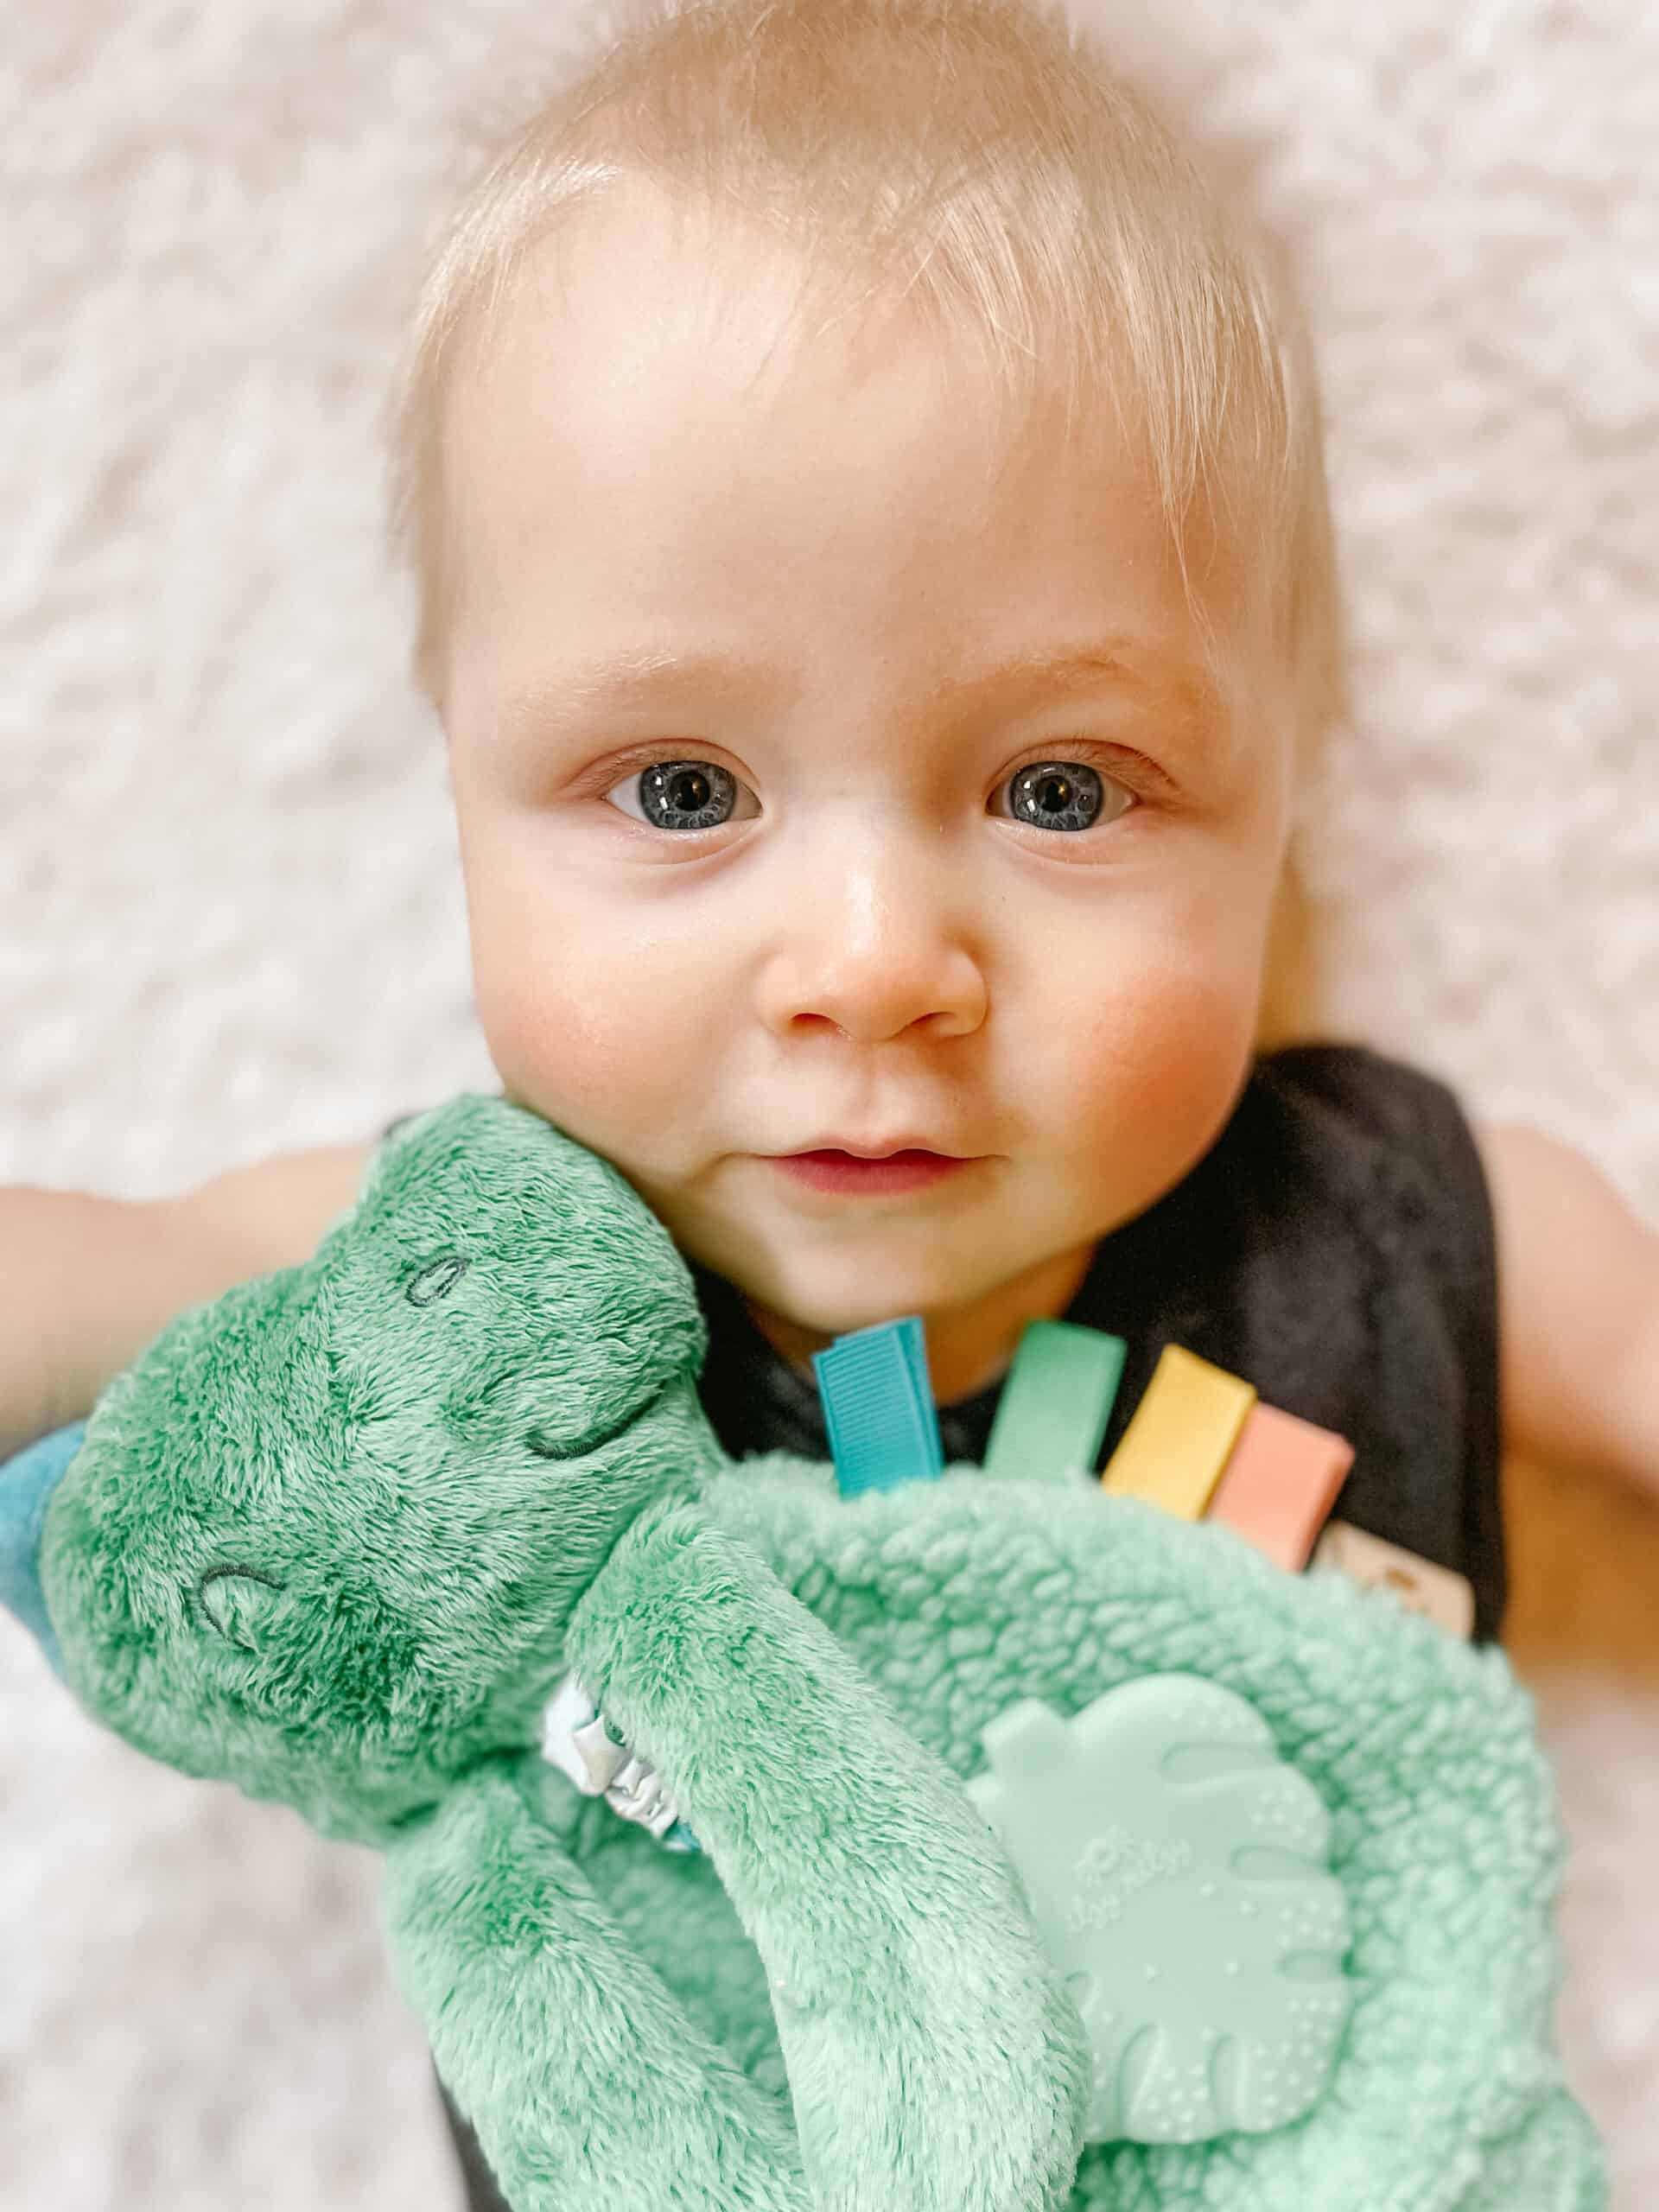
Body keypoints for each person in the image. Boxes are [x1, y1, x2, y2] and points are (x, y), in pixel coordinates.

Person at [3, 2, 1656, 2205]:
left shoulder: (1397, 1216)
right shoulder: (464, 1289)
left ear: (1286, 787)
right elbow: (78, 1274)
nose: (877, 956)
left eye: (1063, 788)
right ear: (459, 767)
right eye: (684, 787)